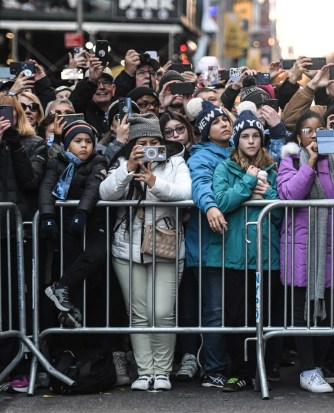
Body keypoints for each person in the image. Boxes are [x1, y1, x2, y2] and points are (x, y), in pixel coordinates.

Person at [99, 112, 192, 391]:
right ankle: (144, 371)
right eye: (143, 142)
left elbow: (185, 193)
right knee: (138, 313)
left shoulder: (175, 162)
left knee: (161, 311)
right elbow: (106, 193)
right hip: (126, 247)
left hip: (165, 244)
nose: (149, 147)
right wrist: (128, 168)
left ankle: (162, 371)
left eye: (154, 141)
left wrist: (153, 181)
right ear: (133, 145)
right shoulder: (122, 163)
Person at [277, 110, 334, 393]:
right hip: (303, 249)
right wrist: (309, 162)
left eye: (319, 129)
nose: (314, 135)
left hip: (333, 247)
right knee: (304, 313)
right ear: (299, 136)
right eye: (308, 131)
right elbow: (290, 194)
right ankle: (308, 369)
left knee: (331, 312)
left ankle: (318, 366)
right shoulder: (291, 160)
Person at [211, 105, 282, 391]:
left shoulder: (273, 168)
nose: (251, 141)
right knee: (235, 316)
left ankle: (264, 368)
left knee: (266, 315)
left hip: (267, 256)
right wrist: (248, 180)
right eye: (245, 136)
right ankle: (239, 370)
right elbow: (222, 201)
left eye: (255, 136)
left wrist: (269, 194)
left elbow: (280, 213)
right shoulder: (224, 167)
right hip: (236, 256)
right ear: (236, 140)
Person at [184, 100, 234, 389]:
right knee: (214, 312)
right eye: (216, 122)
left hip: (234, 247)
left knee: (232, 311)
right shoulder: (201, 156)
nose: (224, 124)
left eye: (226, 119)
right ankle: (213, 369)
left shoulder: (239, 152)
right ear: (205, 130)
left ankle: (233, 365)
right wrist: (211, 206)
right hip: (207, 247)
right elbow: (200, 184)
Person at [0, 93, 47, 393]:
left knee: (19, 304)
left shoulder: (35, 144)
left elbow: (30, 183)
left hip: (19, 235)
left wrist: (13, 143)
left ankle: (19, 364)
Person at [40, 121, 107, 328]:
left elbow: (93, 187)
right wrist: (47, 216)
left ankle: (60, 286)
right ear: (68, 144)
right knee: (71, 265)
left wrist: (82, 212)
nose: (84, 145)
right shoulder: (57, 162)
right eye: (78, 141)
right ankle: (71, 316)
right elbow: (46, 188)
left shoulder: (98, 161)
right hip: (66, 223)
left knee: (97, 254)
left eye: (88, 141)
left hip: (91, 221)